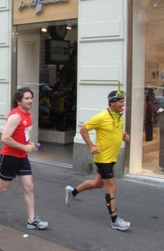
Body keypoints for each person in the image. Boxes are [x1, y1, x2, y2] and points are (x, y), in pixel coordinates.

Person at [0, 87, 49, 230]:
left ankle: (31, 220)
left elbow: (21, 135)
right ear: (19, 101)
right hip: (9, 157)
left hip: (22, 157)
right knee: (2, 187)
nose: (30, 100)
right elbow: (5, 138)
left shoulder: (28, 114)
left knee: (29, 187)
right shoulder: (15, 116)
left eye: (31, 98)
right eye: (27, 98)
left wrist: (28, 144)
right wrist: (24, 147)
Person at [65, 90, 131, 231]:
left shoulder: (119, 115)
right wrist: (91, 146)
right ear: (112, 103)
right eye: (120, 102)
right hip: (103, 158)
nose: (123, 104)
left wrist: (124, 137)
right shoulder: (101, 117)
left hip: (112, 157)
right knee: (111, 187)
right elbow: (83, 129)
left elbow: (115, 133)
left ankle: (72, 192)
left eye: (123, 101)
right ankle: (115, 220)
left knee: (98, 183)